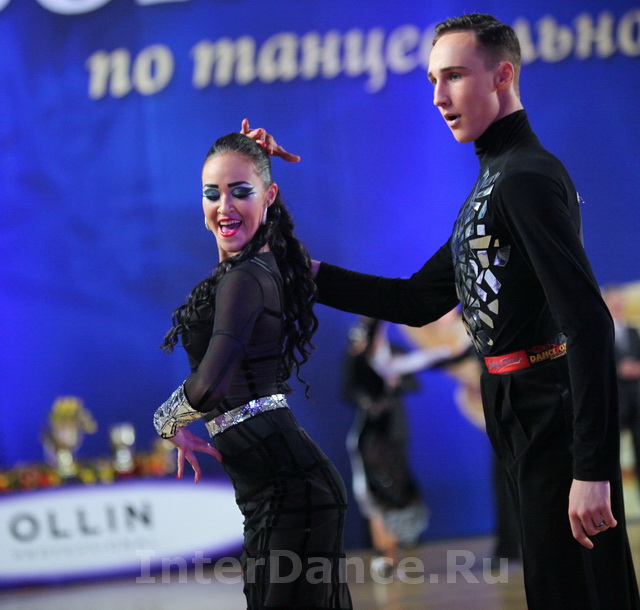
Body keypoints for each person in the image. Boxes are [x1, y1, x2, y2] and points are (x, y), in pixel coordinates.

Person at [244, 13, 640, 609]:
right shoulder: (493, 183)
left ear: (503, 76)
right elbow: (415, 300)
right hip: (517, 405)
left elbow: (588, 322)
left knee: (579, 593)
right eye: (433, 80)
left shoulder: (526, 178)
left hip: (548, 412)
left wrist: (592, 470)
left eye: (453, 76)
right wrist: (287, 258)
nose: (437, 97)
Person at [152, 132, 352, 609]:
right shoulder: (256, 267)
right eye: (213, 193)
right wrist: (252, 159)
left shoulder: (246, 277)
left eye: (241, 191)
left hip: (291, 492)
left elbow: (210, 385)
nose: (224, 207)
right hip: (275, 489)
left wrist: (165, 423)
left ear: (269, 195)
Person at [342, 317, 447, 576]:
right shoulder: (358, 357)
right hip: (372, 434)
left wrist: (396, 381)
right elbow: (349, 389)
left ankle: (399, 546)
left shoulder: (396, 354)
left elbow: (414, 381)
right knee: (373, 493)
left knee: (397, 488)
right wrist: (371, 401)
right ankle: (384, 553)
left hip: (395, 432)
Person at [604, 285, 640, 482]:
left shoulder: (633, 331)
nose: (618, 306)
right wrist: (617, 368)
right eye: (614, 302)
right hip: (614, 400)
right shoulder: (601, 333)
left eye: (620, 302)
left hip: (636, 399)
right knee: (611, 451)